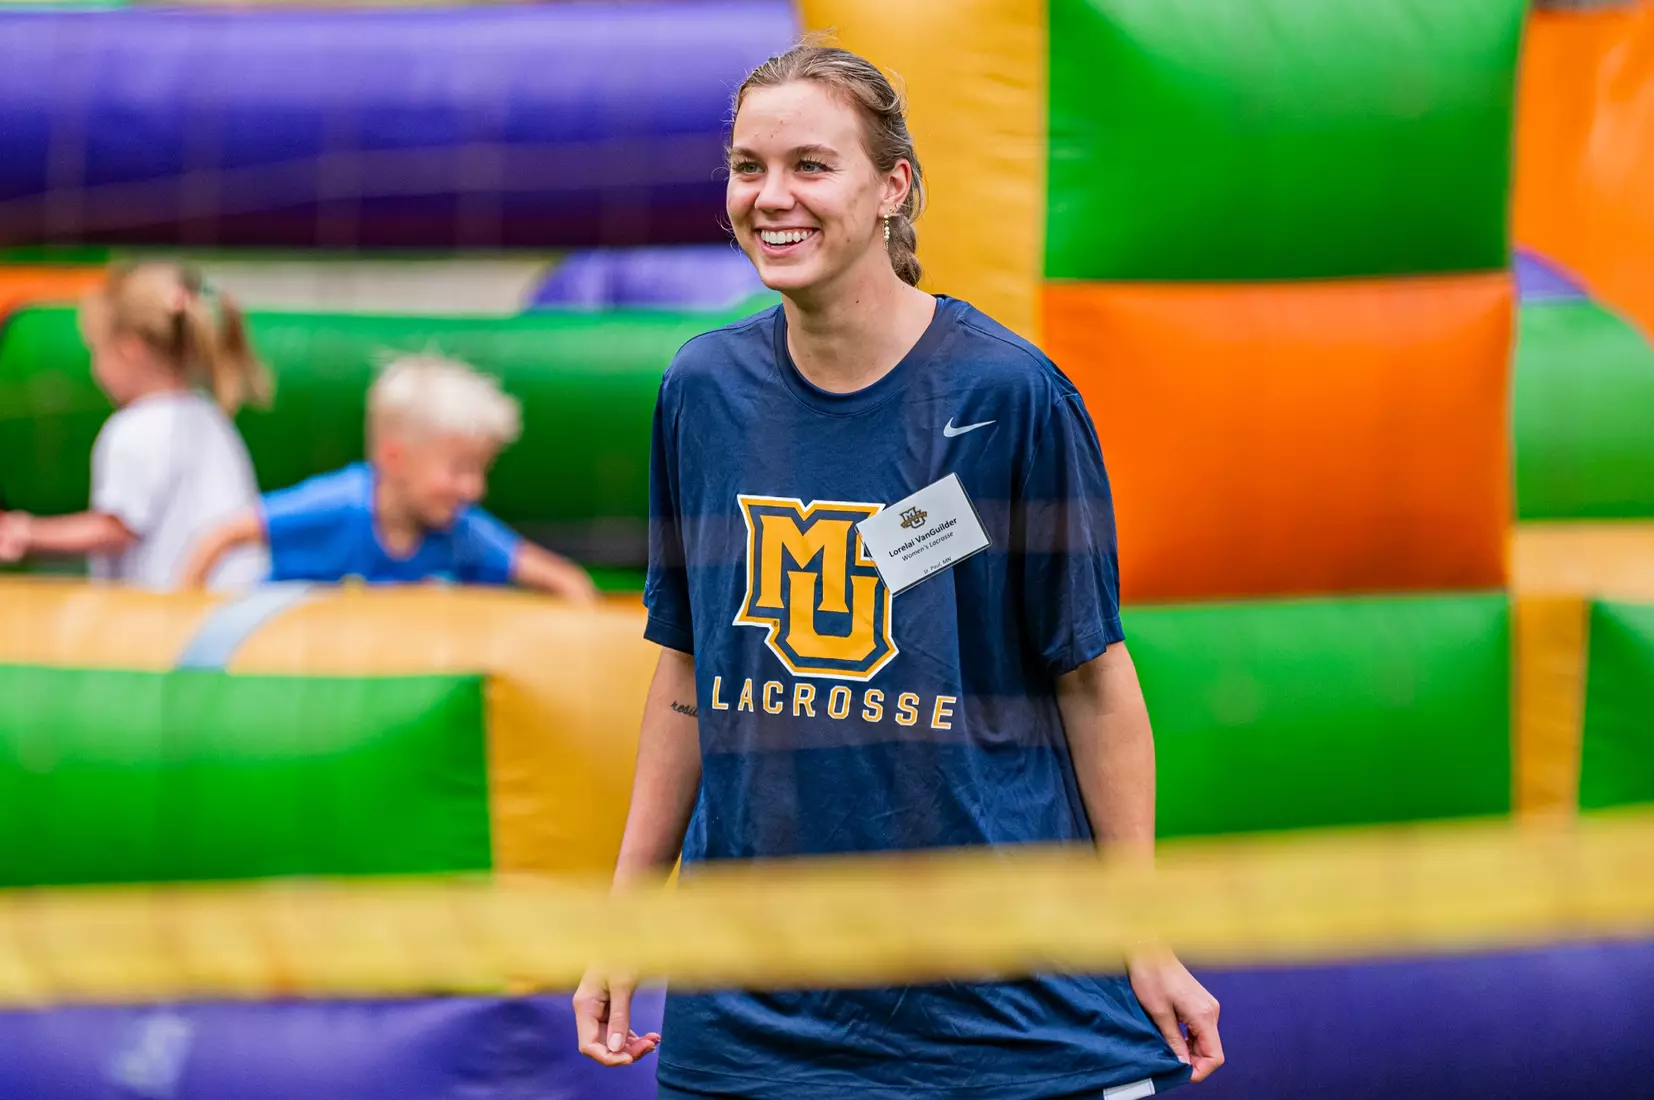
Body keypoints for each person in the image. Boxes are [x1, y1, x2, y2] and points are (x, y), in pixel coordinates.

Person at [573, 41, 1224, 1100]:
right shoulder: (702, 391)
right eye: (747, 167)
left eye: (810, 165)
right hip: (752, 1027)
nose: (771, 197)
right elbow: (687, 672)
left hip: (1006, 1020)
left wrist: (1141, 934)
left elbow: (1095, 681)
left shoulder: (1010, 396)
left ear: (892, 187)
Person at [180, 354, 598, 601]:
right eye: (458, 469)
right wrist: (181, 619)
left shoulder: (460, 532)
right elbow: (222, 536)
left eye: (480, 471)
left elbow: (566, 580)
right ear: (394, 458)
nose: (474, 489)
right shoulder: (340, 506)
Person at [0, 261, 269, 590]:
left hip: (172, 608)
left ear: (130, 350)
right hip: (235, 598)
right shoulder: (208, 414)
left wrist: (29, 533)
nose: (95, 368)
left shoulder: (134, 429)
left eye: (97, 351)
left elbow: (116, 530)